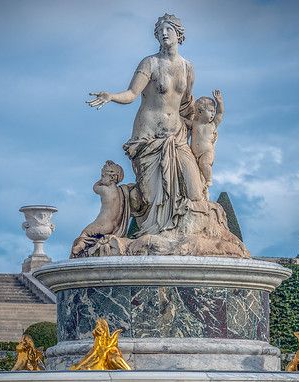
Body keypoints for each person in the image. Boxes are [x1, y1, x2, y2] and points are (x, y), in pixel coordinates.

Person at [88, 14, 205, 236]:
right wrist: (111, 96)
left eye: (168, 29)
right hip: (148, 137)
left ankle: (183, 235)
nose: (163, 33)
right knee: (151, 198)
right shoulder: (150, 63)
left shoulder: (188, 67)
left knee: (194, 188)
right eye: (160, 30)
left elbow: (187, 104)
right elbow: (132, 94)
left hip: (177, 137)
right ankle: (153, 236)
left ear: (178, 34)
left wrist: (205, 128)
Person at [71, 161, 131, 257]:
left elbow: (95, 187)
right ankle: (94, 243)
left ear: (112, 177)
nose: (101, 178)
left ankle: (80, 247)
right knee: (96, 237)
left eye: (103, 176)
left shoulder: (104, 190)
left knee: (84, 233)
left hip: (102, 224)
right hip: (113, 227)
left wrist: (101, 182)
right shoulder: (121, 191)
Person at [190, 90, 224, 198]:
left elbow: (220, 113)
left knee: (204, 164)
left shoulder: (213, 125)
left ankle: (209, 179)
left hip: (207, 152)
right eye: (210, 111)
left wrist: (219, 102)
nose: (213, 113)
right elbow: (183, 121)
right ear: (199, 112)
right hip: (195, 155)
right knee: (195, 174)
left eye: (213, 111)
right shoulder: (194, 124)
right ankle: (202, 186)